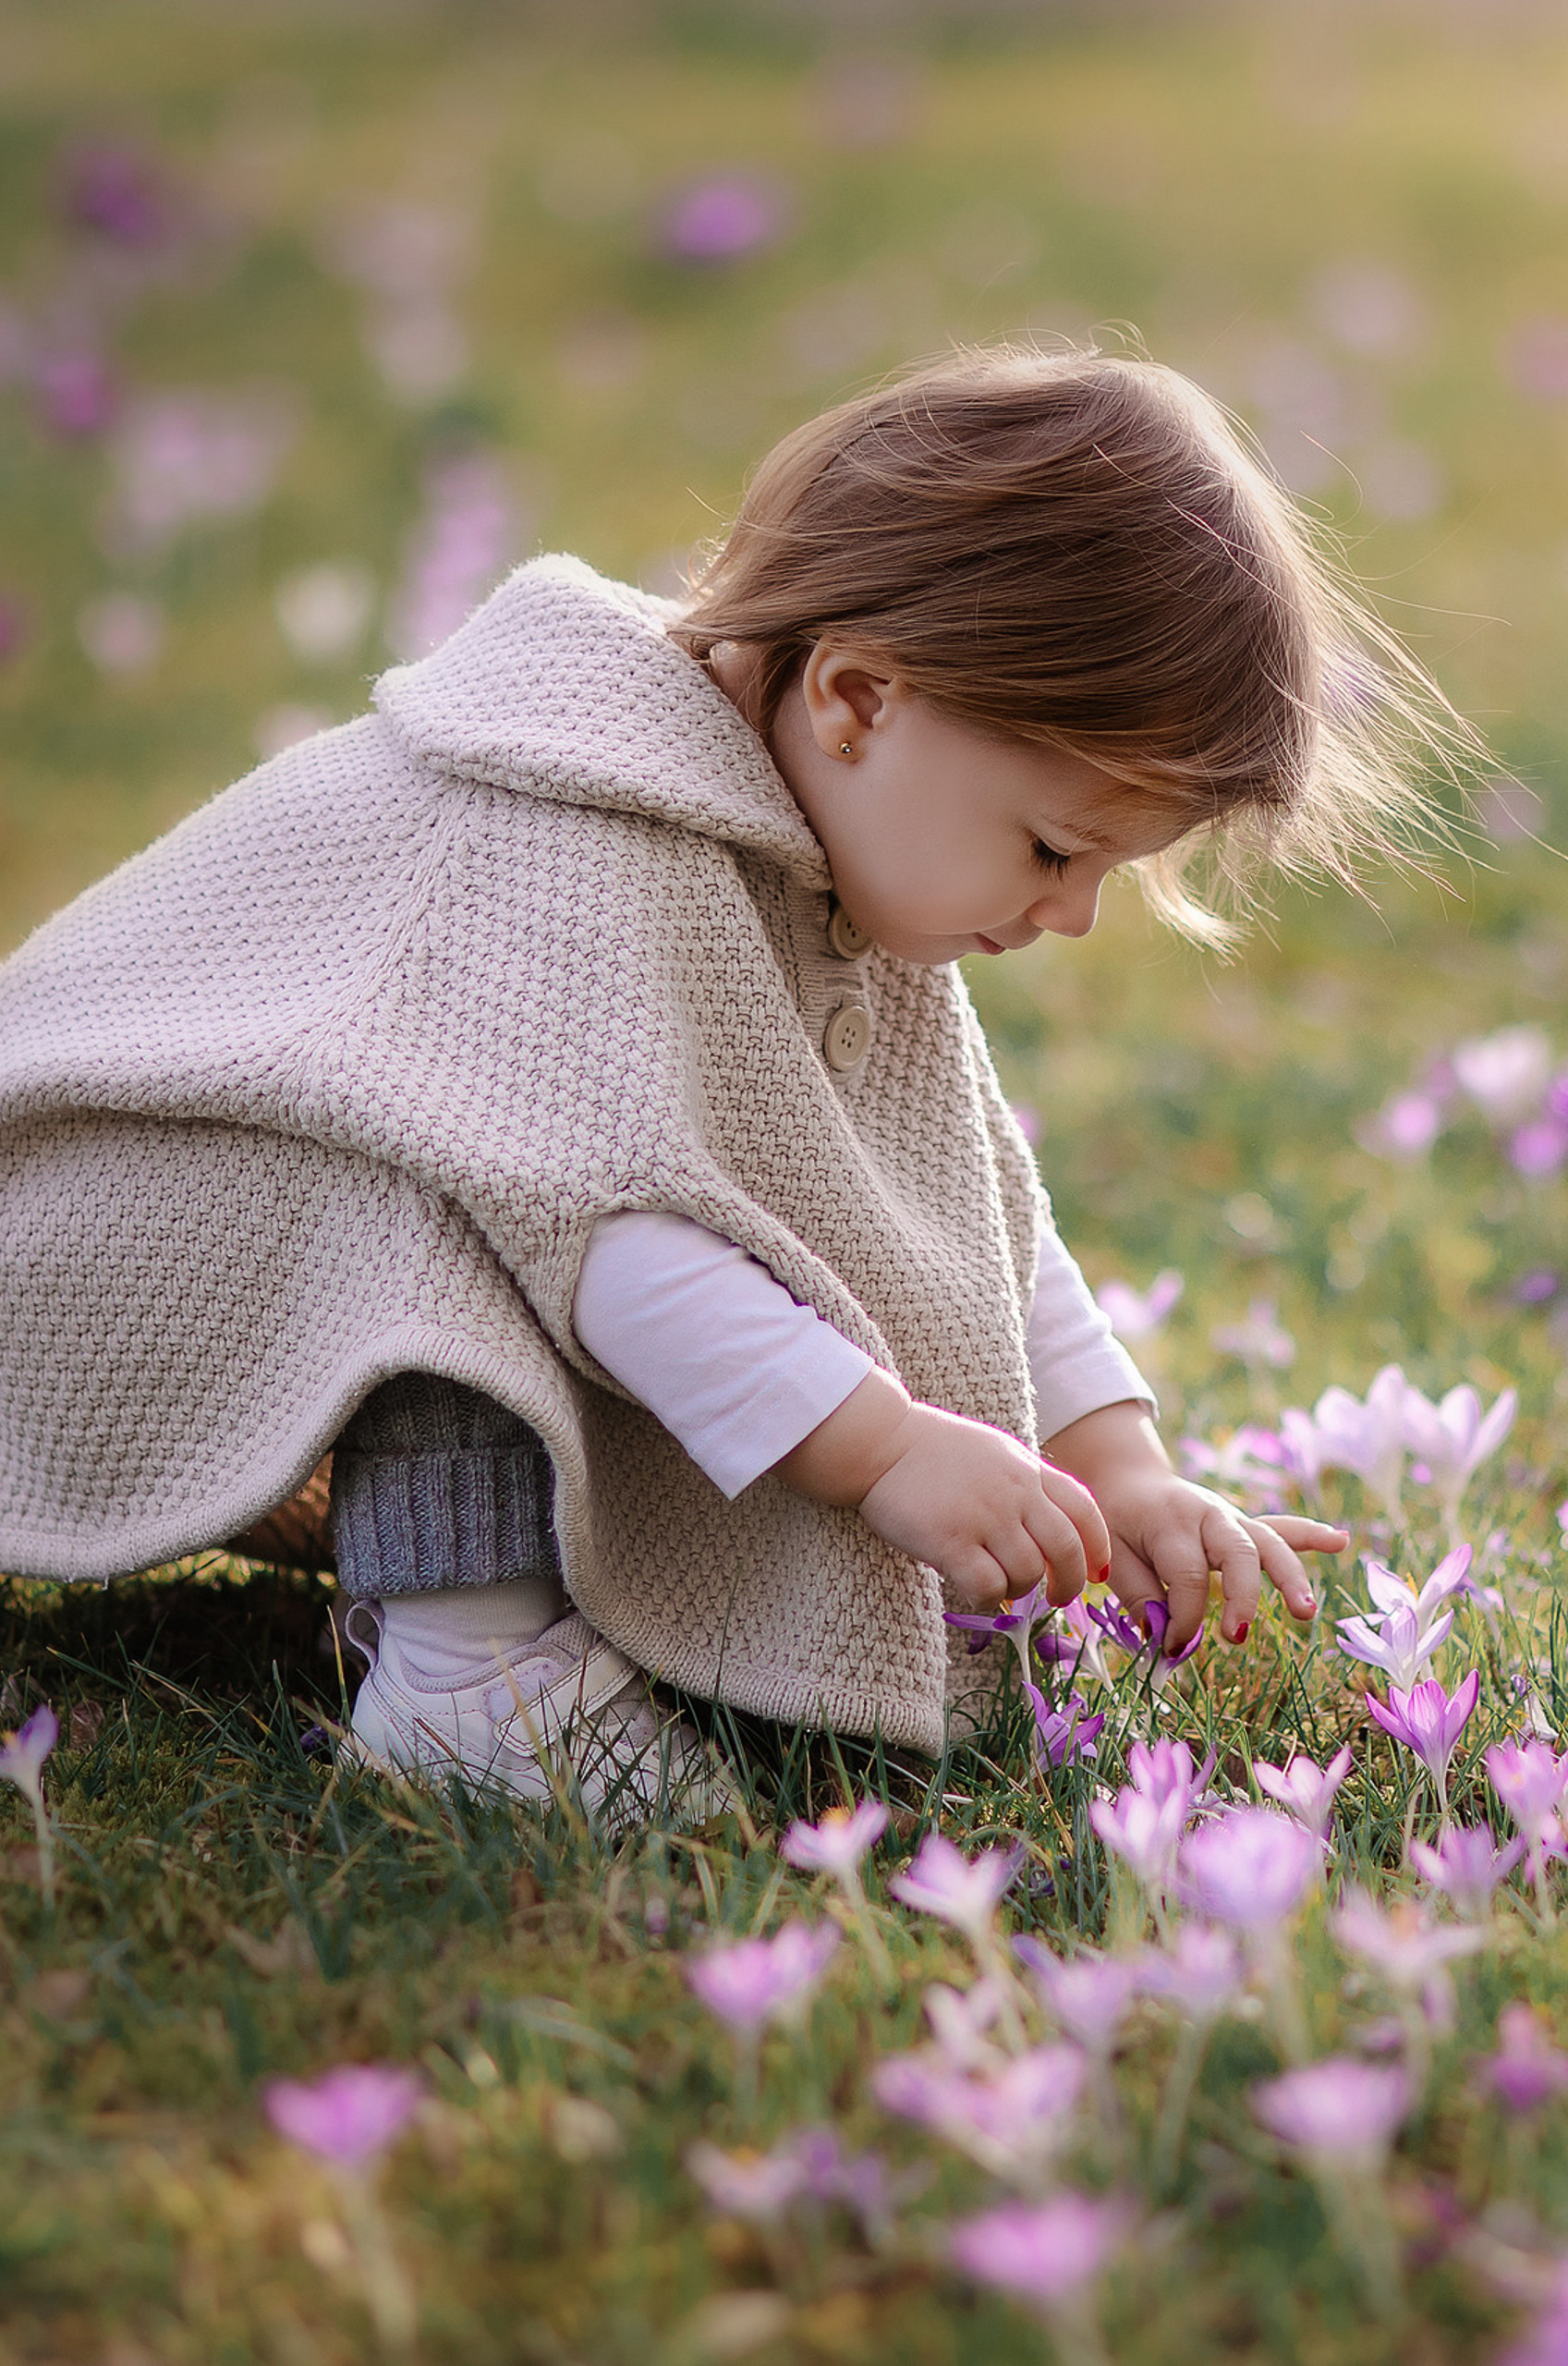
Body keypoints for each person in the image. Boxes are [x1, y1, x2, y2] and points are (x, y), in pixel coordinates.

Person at [0, 344, 1471, 1816]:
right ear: (858, 701)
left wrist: (1122, 1467)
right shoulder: (580, 834)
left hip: (261, 1239)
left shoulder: (836, 862)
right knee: (451, 1189)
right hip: (93, 1231)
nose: (1071, 914)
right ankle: (467, 1669)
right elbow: (603, 1240)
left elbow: (974, 1210)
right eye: (1051, 848)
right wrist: (882, 1448)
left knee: (495, 1200)